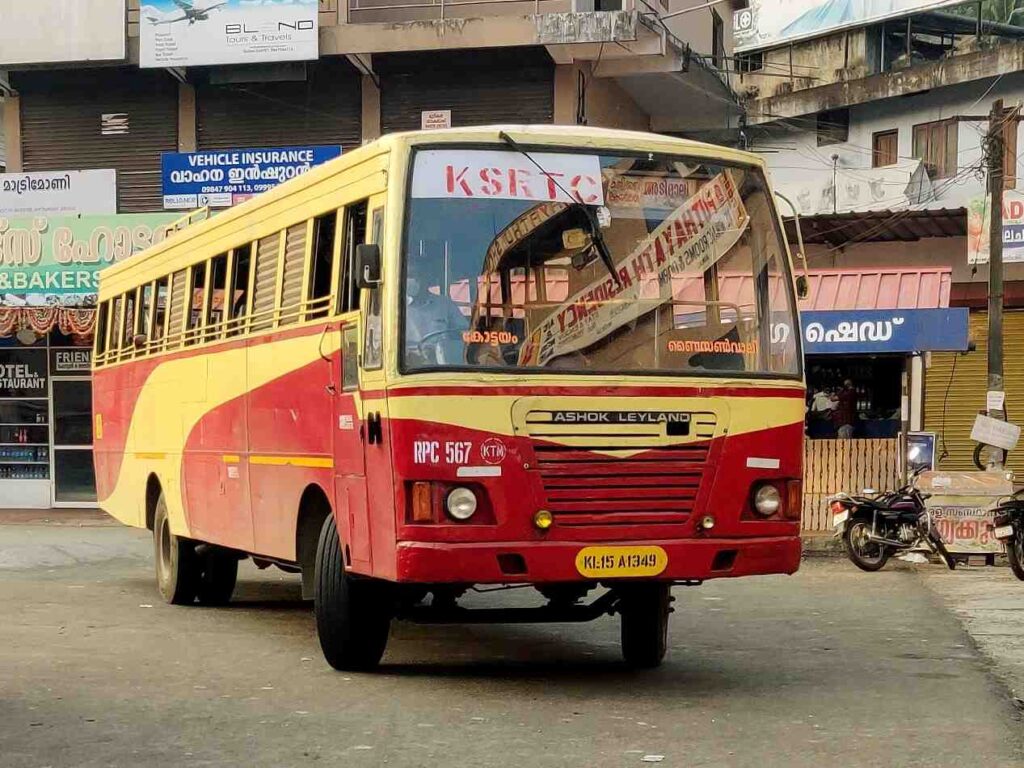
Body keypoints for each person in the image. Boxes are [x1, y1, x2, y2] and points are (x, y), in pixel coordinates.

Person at [405, 258, 467, 365]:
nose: (413, 279)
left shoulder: (444, 304)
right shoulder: (398, 306)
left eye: (418, 275)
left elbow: (464, 331)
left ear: (427, 279)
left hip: (442, 364)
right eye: (410, 275)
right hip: (409, 366)